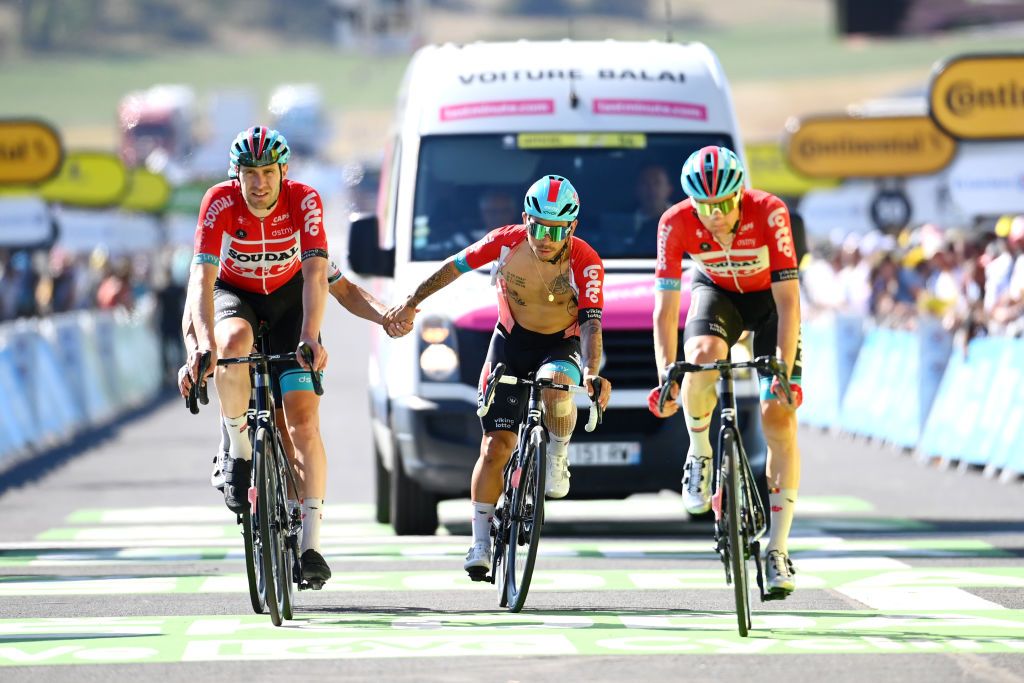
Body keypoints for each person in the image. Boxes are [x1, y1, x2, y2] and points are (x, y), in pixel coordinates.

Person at [383, 174, 612, 580]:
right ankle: (481, 540)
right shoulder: (504, 241)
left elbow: (592, 324)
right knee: (495, 447)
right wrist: (412, 301)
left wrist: (593, 372)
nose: (545, 237)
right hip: (511, 342)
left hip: (562, 343)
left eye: (557, 230)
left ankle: (557, 457)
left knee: (557, 385)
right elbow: (452, 268)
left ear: (572, 227)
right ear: (526, 219)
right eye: (538, 226)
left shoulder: (586, 260)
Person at [185, 125, 337, 586]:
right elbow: (201, 280)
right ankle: (238, 446)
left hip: (291, 302)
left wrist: (311, 335)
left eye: (268, 172)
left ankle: (310, 544)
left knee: (303, 420)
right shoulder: (219, 201)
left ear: (282, 172)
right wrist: (202, 344)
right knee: (231, 348)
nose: (259, 183)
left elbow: (316, 274)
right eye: (249, 173)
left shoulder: (305, 199)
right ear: (237, 176)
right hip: (238, 297)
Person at [648, 145, 802, 598]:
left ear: (741, 193)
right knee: (698, 354)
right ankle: (699, 453)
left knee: (778, 416)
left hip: (769, 302)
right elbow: (665, 307)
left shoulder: (769, 211)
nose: (714, 214)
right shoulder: (674, 222)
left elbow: (790, 301)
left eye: (724, 203)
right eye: (704, 206)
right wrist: (666, 375)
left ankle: (777, 549)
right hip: (718, 295)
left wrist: (784, 373)